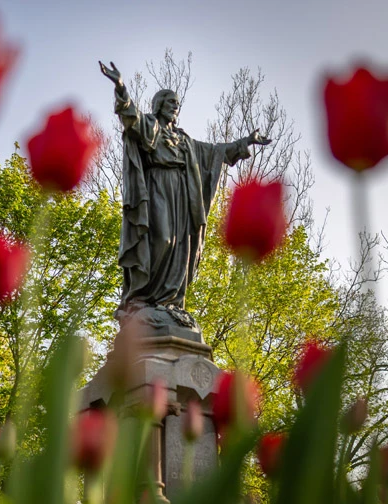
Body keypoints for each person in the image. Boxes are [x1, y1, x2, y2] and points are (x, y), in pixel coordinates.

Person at [99, 61, 271, 333]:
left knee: (181, 245)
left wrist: (246, 142)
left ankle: (167, 302)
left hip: (183, 194)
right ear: (159, 105)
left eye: (177, 103)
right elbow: (129, 115)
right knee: (162, 238)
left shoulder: (184, 141)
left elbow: (217, 152)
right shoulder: (150, 127)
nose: (174, 106)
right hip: (157, 186)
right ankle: (143, 298)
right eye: (170, 101)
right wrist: (120, 86)